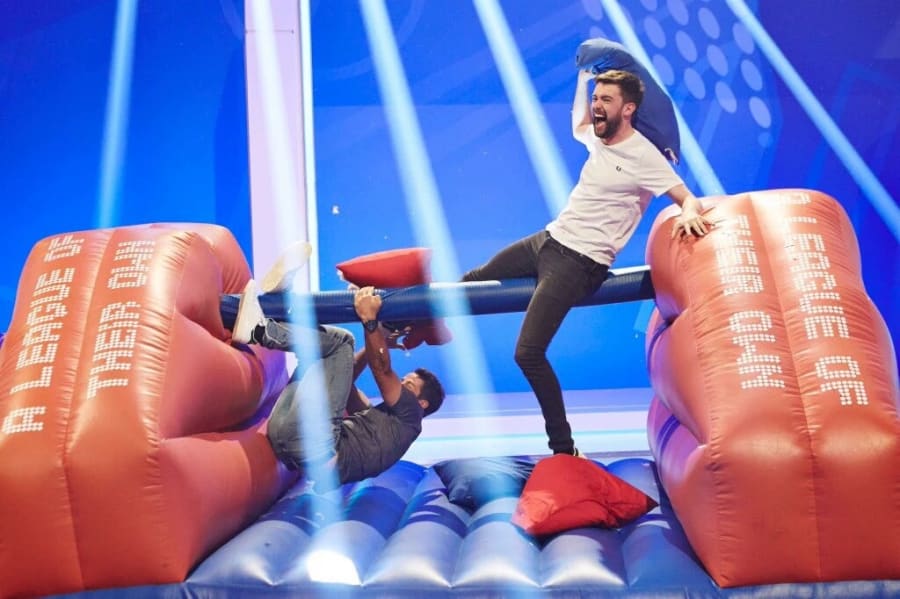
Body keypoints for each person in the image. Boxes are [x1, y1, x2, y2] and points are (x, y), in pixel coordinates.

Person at [461, 68, 712, 457]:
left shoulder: (644, 155)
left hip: (580, 263)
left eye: (606, 100)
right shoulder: (600, 138)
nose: (597, 106)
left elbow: (686, 197)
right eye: (596, 98)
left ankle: (564, 449)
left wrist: (690, 214)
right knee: (471, 281)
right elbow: (579, 122)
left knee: (527, 353)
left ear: (628, 109)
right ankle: (408, 328)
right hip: (549, 240)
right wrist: (582, 83)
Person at [231, 250, 445, 486]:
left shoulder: (411, 416)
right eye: (404, 380)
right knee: (321, 354)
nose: (401, 384)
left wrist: (370, 322)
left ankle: (259, 330)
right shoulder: (383, 425)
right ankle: (282, 304)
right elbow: (346, 380)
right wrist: (381, 337)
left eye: (409, 385)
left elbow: (383, 371)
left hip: (313, 447)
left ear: (422, 403)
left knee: (342, 342)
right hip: (287, 436)